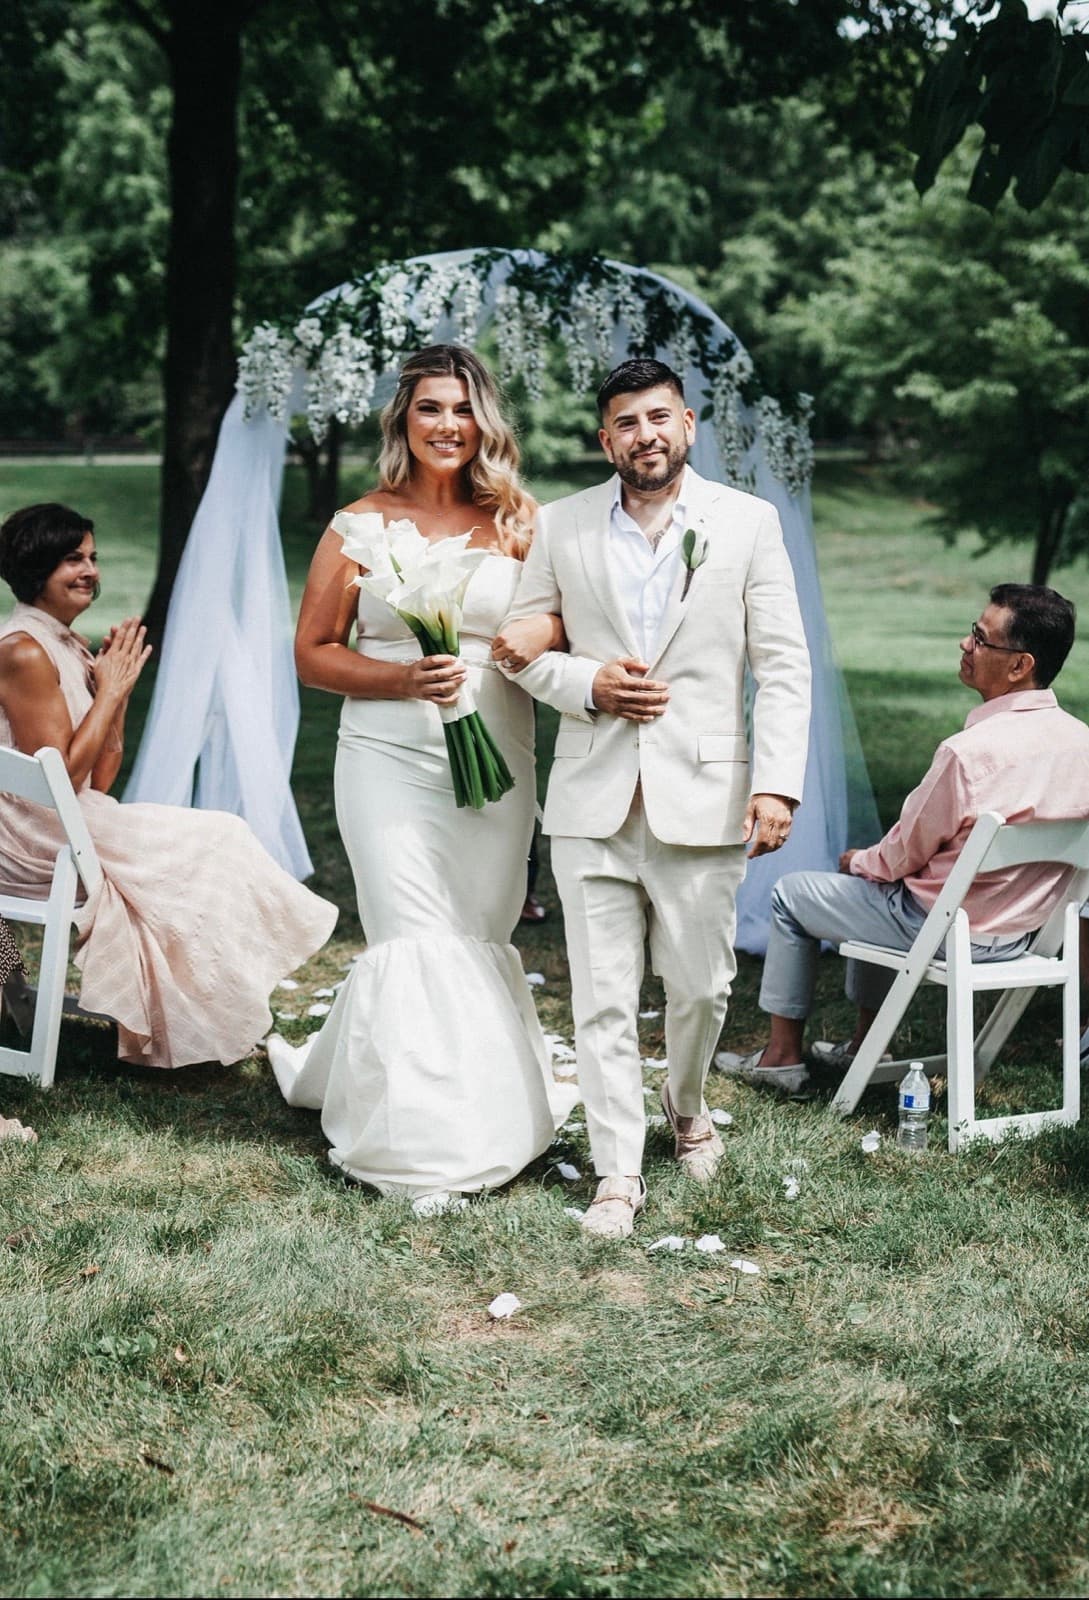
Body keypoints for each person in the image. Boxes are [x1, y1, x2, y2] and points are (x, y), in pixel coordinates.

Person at [496, 357, 811, 1237]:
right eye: (626, 423)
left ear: (688, 424)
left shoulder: (746, 523)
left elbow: (781, 665)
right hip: (592, 796)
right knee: (599, 996)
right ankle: (616, 1173)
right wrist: (588, 682)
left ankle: (686, 1105)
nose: (645, 435)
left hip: (705, 793)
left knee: (702, 987)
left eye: (659, 417)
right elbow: (521, 649)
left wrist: (776, 783)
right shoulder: (559, 526)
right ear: (606, 439)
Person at [267, 344, 576, 1196]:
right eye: (431, 408)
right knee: (411, 931)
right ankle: (419, 1141)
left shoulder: (520, 521)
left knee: (481, 925)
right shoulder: (359, 523)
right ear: (403, 418)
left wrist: (539, 636)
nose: (448, 425)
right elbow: (312, 653)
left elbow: (566, 621)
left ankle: (483, 1105)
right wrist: (404, 675)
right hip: (384, 752)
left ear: (487, 422)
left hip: (497, 750)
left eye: (464, 408)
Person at [0, 503, 338, 1069]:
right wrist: (106, 692)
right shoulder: (23, 649)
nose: (90, 570)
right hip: (32, 836)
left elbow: (102, 776)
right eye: (71, 559)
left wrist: (119, 696)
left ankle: (203, 1014)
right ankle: (195, 1019)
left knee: (214, 843)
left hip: (70, 817)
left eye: (92, 557)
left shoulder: (64, 643)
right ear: (35, 569)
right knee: (216, 842)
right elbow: (62, 781)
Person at [719, 585, 1089, 1090]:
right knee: (882, 891)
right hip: (1021, 936)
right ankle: (867, 1043)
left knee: (794, 894)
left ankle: (780, 1057)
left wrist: (858, 861)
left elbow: (900, 856)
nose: (965, 643)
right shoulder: (1081, 744)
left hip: (943, 930)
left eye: (981, 639)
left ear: (1020, 665)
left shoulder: (968, 753)